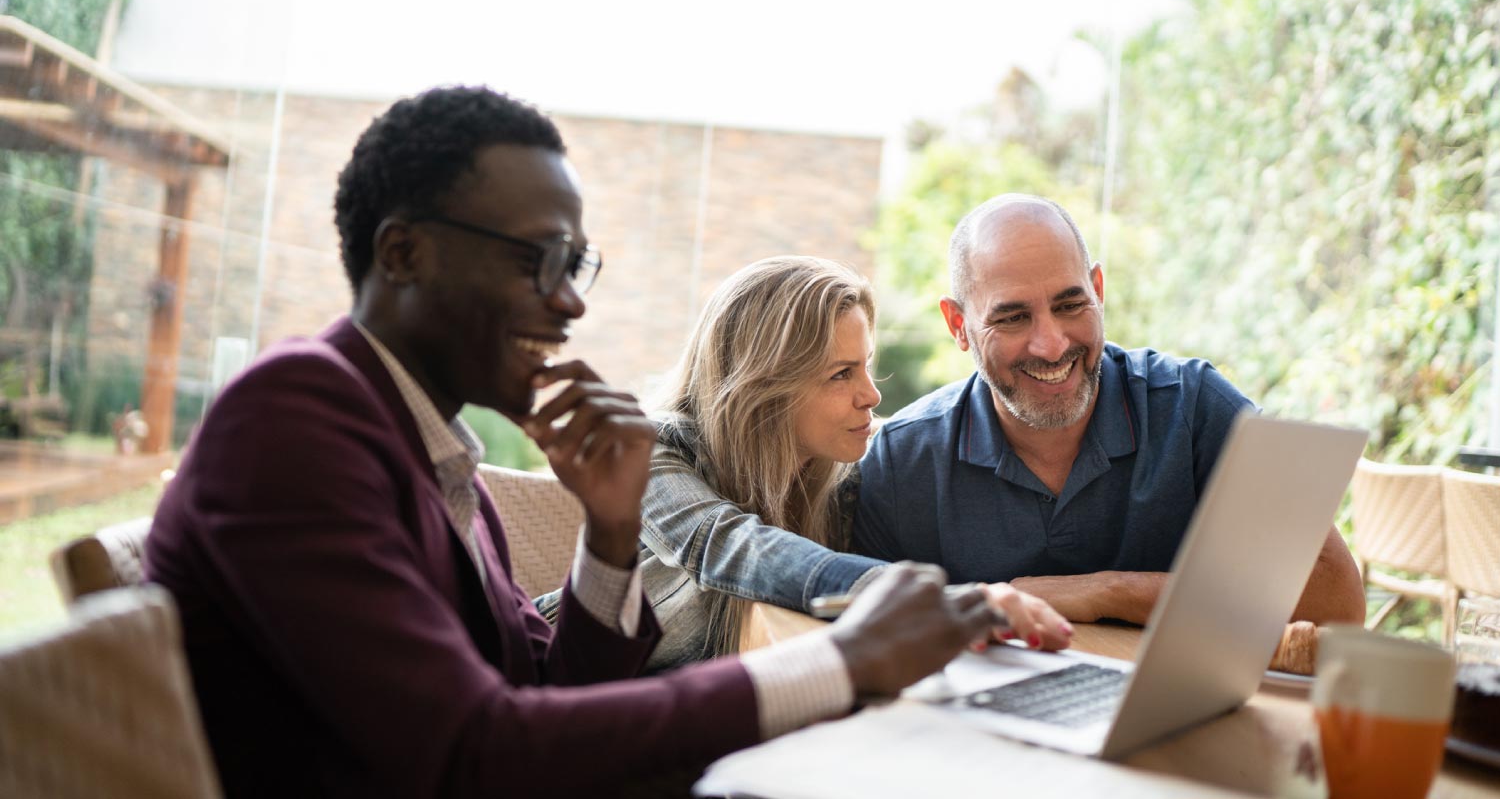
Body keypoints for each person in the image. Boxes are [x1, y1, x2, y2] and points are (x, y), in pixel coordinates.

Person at [144, 85, 1021, 798]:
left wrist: (608, 535)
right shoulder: (292, 417)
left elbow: (552, 689)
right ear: (404, 254)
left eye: (577, 266)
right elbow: (472, 752)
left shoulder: (430, 448)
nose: (570, 303)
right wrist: (838, 661)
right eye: (540, 260)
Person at [853, 193, 1366, 626]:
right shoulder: (902, 462)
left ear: (1098, 292)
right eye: (1012, 318)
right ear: (958, 325)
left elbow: (1335, 599)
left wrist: (1106, 591)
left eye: (1070, 305)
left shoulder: (1194, 406)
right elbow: (864, 634)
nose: (1051, 345)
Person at [619, 256, 1072, 668]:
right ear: (764, 386)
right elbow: (729, 547)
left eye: (865, 366)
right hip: (570, 697)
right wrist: (923, 598)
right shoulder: (654, 449)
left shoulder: (844, 480)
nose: (872, 396)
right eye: (841, 374)